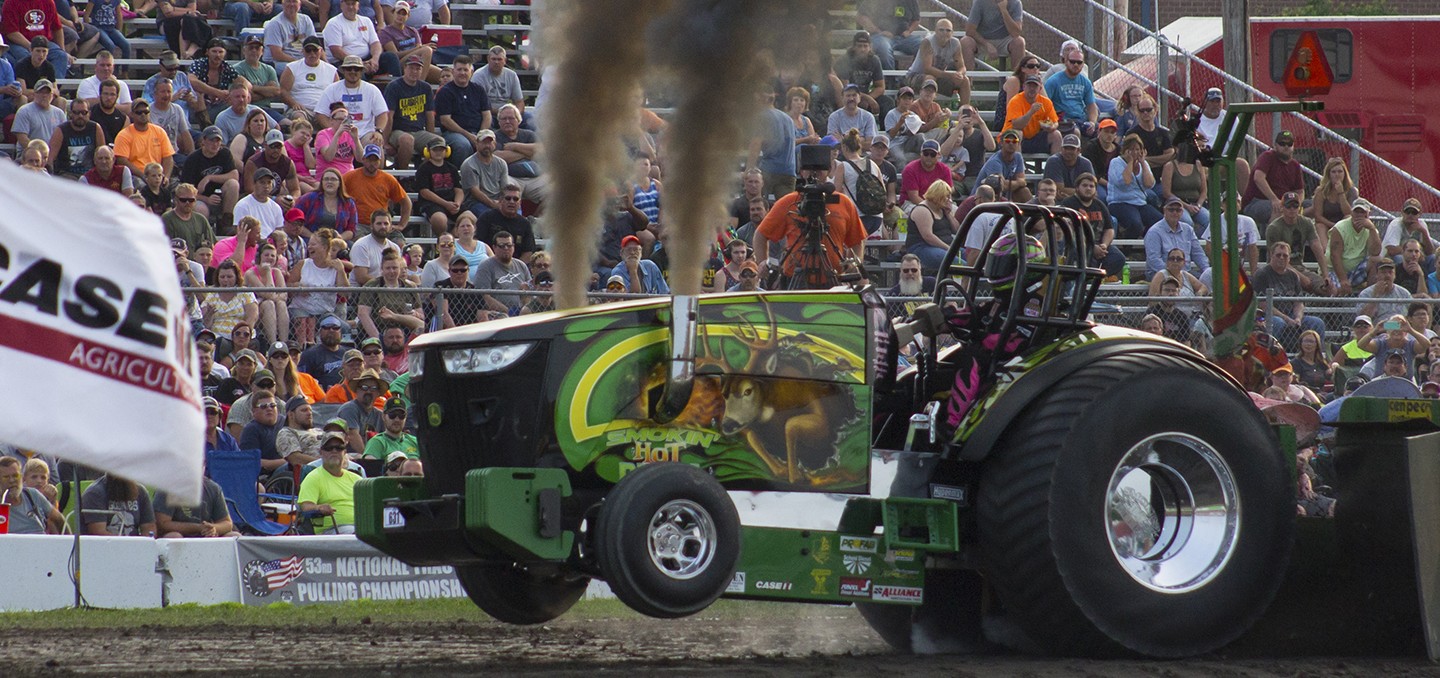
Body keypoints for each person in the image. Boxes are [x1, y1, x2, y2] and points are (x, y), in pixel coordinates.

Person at [756, 145, 866, 289]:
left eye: (820, 170)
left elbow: (858, 240)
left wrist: (854, 262)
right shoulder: (789, 202)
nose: (815, 174)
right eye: (809, 170)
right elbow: (760, 234)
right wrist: (763, 262)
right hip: (795, 277)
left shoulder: (843, 202)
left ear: (828, 171)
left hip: (833, 278)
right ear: (801, 172)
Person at [1252, 241, 1327, 351]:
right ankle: (1272, 355)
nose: (1281, 258)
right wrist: (1287, 319)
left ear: (1289, 259)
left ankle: (1318, 357)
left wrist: (1298, 318)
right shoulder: (1262, 274)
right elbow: (1263, 305)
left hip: (1291, 315)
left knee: (1317, 322)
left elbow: (1298, 302)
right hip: (1267, 317)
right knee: (1278, 323)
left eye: (1285, 255)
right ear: (1271, 256)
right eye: (1278, 255)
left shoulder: (1293, 276)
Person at [1059, 172, 1125, 279]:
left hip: (1098, 244)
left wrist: (1104, 245)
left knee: (1118, 258)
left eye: (1091, 186)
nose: (1088, 188)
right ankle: (1085, 279)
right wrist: (1091, 246)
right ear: (1077, 188)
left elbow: (1109, 229)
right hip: (1077, 244)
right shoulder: (1068, 204)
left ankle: (1094, 279)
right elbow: (1068, 230)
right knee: (1082, 255)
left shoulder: (1099, 205)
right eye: (1084, 185)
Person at [298, 431, 362, 534]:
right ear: (321, 452)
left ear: (345, 452)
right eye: (329, 448)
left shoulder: (357, 479)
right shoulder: (313, 478)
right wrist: (319, 508)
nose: (334, 451)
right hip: (332, 530)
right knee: (359, 535)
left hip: (362, 527)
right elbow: (305, 507)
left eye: (339, 448)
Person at [316, 55, 390, 141]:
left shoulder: (372, 89)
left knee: (375, 142)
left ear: (361, 71)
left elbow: (382, 114)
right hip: (339, 134)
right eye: (349, 69)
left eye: (356, 69)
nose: (353, 71)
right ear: (343, 71)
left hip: (365, 134)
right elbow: (320, 114)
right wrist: (333, 130)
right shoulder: (331, 89)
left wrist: (378, 131)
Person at [344, 145, 412, 236]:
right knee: (359, 242)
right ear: (363, 159)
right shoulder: (349, 177)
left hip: (382, 224)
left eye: (375, 160)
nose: (372, 163)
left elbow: (406, 202)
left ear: (380, 161)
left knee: (399, 242)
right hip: (359, 224)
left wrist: (402, 225)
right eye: (369, 159)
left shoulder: (388, 179)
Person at [1242, 130, 1306, 226]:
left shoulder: (1295, 165)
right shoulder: (1267, 157)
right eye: (1282, 143)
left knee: (1314, 207)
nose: (1286, 147)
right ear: (1275, 145)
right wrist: (1274, 199)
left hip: (1285, 202)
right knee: (1281, 209)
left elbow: (1300, 191)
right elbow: (1258, 178)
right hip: (1255, 202)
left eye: (1289, 144)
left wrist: (1297, 204)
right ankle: (1272, 238)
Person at [434, 53, 491, 160]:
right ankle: (461, 175)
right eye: (459, 70)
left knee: (492, 143)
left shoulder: (479, 90)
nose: (462, 73)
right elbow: (445, 120)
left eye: (465, 70)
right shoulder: (445, 92)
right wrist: (469, 136)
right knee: (463, 146)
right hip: (454, 133)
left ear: (471, 72)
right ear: (453, 71)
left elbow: (487, 115)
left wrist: (481, 135)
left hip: (477, 132)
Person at [179, 126, 241, 222]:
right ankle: (204, 232)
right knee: (201, 209)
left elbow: (234, 175)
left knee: (233, 184)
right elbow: (186, 191)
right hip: (200, 198)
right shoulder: (193, 159)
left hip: (221, 195)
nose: (215, 144)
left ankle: (227, 223)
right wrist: (207, 199)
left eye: (218, 141)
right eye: (212, 141)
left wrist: (209, 178)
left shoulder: (225, 153)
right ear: (203, 141)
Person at [323, 0, 398, 78]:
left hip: (367, 60)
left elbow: (375, 43)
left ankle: (397, 88)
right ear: (341, 5)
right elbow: (336, 51)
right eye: (347, 4)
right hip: (344, 62)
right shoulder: (333, 23)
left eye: (353, 4)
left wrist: (375, 60)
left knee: (390, 57)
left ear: (358, 6)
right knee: (357, 72)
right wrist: (359, 63)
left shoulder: (366, 21)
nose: (351, 7)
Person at [358, 249, 425, 337]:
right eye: (388, 268)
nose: (392, 271)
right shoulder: (372, 285)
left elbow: (421, 316)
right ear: (382, 269)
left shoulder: (410, 286)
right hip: (380, 329)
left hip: (405, 330)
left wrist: (416, 314)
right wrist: (378, 339)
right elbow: (363, 314)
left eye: (395, 268)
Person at [747, 85, 797, 200]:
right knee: (785, 209)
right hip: (789, 172)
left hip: (769, 170)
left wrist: (748, 170)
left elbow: (756, 144)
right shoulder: (788, 119)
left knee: (757, 203)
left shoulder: (762, 117)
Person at [1266, 191, 1329, 282]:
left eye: (1295, 206)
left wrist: (1326, 275)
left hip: (1299, 268)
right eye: (1288, 206)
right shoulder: (1274, 228)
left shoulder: (1306, 223)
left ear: (1300, 208)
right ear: (1282, 208)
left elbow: (1317, 248)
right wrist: (1302, 278)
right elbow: (1276, 259)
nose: (1292, 209)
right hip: (1277, 271)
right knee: (1305, 283)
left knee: (1328, 288)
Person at [1107, 133, 1161, 239]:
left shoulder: (1143, 164)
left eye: (1137, 149)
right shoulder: (1116, 162)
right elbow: (1125, 182)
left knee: (1159, 221)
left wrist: (1143, 163)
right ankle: (1126, 249)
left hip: (1139, 202)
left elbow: (1149, 184)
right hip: (1120, 203)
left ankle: (1148, 242)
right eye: (1131, 149)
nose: (1135, 152)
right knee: (1135, 224)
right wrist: (1130, 162)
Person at [1144, 197, 1210, 280]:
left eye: (1178, 210)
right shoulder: (1154, 232)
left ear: (1182, 212)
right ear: (1164, 211)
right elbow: (1154, 260)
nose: (1175, 212)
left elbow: (1198, 253)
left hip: (1185, 273)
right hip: (1160, 273)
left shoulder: (1188, 229)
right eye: (1171, 210)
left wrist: (1206, 270)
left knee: (1207, 282)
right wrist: (1173, 273)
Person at [2, 0, 70, 80]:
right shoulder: (11, 2)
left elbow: (57, 28)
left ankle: (52, 88)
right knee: (26, 56)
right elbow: (11, 33)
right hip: (18, 43)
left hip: (44, 42)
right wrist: (31, 46)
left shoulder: (48, 2)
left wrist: (63, 50)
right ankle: (29, 88)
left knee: (60, 55)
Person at [906, 18, 968, 103]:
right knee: (930, 79)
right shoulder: (927, 42)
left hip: (939, 76)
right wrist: (950, 75)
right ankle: (926, 111)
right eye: (941, 30)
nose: (944, 33)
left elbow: (962, 66)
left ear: (952, 33)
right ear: (935, 30)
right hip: (916, 76)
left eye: (948, 30)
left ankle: (965, 112)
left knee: (965, 80)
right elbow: (927, 69)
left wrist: (959, 74)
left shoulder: (955, 43)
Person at [1329, 199, 1384, 294]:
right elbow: (1335, 256)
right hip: (1334, 271)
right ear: (1351, 212)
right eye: (1356, 211)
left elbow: (1375, 252)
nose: (1359, 215)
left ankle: (1370, 297)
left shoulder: (1371, 229)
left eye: (1362, 212)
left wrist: (1372, 229)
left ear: (1367, 214)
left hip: (1356, 270)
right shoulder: (1340, 228)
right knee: (1337, 291)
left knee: (1376, 260)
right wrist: (1343, 280)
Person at [154, 476, 237, 538]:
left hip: (206, 536)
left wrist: (213, 528)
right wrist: (197, 528)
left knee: (235, 536)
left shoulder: (213, 488)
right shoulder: (167, 488)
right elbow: (162, 524)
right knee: (174, 537)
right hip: (179, 536)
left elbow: (227, 523)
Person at [1045, 40, 1098, 136]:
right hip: (1062, 120)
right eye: (1072, 62)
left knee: (1104, 131)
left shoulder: (1085, 82)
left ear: (1083, 64)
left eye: (1079, 62)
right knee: (1075, 131)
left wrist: (1092, 122)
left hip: (1081, 119)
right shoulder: (1053, 81)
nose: (1076, 65)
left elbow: (1091, 105)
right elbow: (1045, 104)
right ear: (1065, 62)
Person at [905, 179, 959, 272]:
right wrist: (949, 249)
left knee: (972, 258)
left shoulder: (942, 209)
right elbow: (928, 236)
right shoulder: (922, 210)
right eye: (946, 197)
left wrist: (948, 214)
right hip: (923, 247)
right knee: (960, 264)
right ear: (938, 196)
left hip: (946, 246)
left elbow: (957, 230)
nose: (949, 200)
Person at [0, 457, 63, 535]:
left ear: (21, 477)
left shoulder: (31, 495)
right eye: (6, 477)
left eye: (15, 476)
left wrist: (69, 542)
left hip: (40, 543)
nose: (12, 480)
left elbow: (59, 520)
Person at [959, 0, 1026, 73]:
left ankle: (1018, 81)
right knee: (965, 41)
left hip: (1005, 40)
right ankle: (967, 82)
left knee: (1019, 42)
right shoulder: (980, 2)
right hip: (982, 41)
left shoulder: (1015, 3)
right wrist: (987, 45)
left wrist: (1004, 10)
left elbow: (1016, 33)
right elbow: (969, 30)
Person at [1357, 314, 1430, 381]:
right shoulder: (1380, 344)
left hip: (1405, 384)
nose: (1397, 330)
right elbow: (1361, 345)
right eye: (1393, 326)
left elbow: (1427, 345)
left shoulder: (1410, 345)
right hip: (1381, 383)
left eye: (1400, 326)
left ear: (1405, 331)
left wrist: (1411, 330)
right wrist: (1374, 331)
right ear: (1387, 331)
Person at [81, 474, 156, 537]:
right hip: (105, 548)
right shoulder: (95, 493)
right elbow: (98, 532)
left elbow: (149, 528)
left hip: (135, 547)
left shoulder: (141, 492)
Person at [857, 0, 923, 71]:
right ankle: (890, 80)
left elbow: (917, 19)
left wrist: (909, 30)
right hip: (880, 36)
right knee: (884, 49)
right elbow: (860, 16)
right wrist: (878, 31)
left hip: (904, 38)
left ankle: (914, 76)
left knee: (924, 45)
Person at [1003, 73, 1060, 155]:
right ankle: (1018, 167)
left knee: (1056, 135)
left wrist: (1051, 127)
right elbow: (1016, 125)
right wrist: (1031, 112)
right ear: (1024, 87)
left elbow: (1055, 122)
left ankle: (1055, 165)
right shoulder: (1015, 101)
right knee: (1018, 133)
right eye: (1029, 86)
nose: (1032, 89)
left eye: (1035, 86)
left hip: (1034, 137)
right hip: (1012, 139)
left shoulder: (1046, 102)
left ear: (1040, 88)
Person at [245, 243, 290, 344]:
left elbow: (284, 296)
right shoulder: (251, 273)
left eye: (273, 255)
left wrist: (275, 297)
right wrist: (268, 273)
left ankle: (284, 343)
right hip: (256, 310)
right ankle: (273, 344)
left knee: (281, 304)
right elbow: (267, 294)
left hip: (275, 308)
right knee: (268, 303)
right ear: (259, 257)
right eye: (266, 255)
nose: (269, 258)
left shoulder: (277, 272)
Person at [298, 167, 360, 240]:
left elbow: (352, 229)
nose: (329, 182)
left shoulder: (348, 202)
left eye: (333, 179)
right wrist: (313, 237)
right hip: (310, 239)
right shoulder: (309, 198)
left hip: (337, 241)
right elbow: (296, 222)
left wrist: (339, 238)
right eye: (326, 179)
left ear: (340, 183)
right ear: (322, 182)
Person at [48, 98, 105, 179]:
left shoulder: (95, 128)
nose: (80, 116)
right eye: (76, 112)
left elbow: (102, 153)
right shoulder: (61, 130)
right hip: (67, 175)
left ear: (89, 113)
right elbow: (51, 158)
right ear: (70, 114)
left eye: (84, 112)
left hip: (91, 175)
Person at [459, 128, 507, 219]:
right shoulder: (469, 164)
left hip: (498, 201)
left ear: (495, 144)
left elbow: (505, 188)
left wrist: (503, 202)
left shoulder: (501, 163)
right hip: (476, 203)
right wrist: (493, 204)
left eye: (490, 143)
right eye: (484, 143)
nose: (487, 146)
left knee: (515, 209)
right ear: (477, 144)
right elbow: (475, 192)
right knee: (492, 217)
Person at [1161, 140, 1208, 231]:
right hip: (1178, 204)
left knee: (1208, 220)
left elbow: (1204, 191)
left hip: (1196, 203)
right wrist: (1187, 206)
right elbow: (1167, 193)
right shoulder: (1170, 166)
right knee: (1187, 222)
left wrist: (1198, 205)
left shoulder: (1198, 165)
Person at [837, 32, 885, 116]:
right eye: (859, 46)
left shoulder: (874, 60)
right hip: (848, 96)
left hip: (866, 94)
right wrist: (865, 98)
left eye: (865, 46)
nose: (862, 49)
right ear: (854, 47)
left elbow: (880, 87)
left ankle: (886, 128)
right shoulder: (845, 60)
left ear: (870, 47)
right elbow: (846, 87)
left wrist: (869, 98)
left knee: (886, 102)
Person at [1309, 156, 1358, 239]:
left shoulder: (1352, 191)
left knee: (1348, 218)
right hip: (1326, 224)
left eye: (1340, 171)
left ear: (1345, 174)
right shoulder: (1321, 191)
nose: (1337, 175)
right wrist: (1333, 226)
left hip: (1344, 225)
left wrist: (1341, 193)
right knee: (1320, 226)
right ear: (1329, 174)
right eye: (1333, 172)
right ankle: (1325, 251)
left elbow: (1349, 213)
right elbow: (1318, 216)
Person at [973, 129, 1028, 202]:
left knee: (1023, 191)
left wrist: (1016, 182)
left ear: (1018, 144)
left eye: (1014, 141)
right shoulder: (995, 161)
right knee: (998, 192)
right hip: (982, 197)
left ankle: (1034, 212)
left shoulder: (1018, 157)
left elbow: (1023, 181)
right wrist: (1018, 182)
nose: (1011, 143)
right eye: (1007, 141)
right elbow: (1001, 186)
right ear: (1001, 143)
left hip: (1000, 196)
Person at [11, 79, 66, 153]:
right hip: (28, 155)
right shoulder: (24, 111)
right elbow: (22, 138)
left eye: (47, 93)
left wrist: (51, 155)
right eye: (40, 92)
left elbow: (63, 137)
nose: (44, 95)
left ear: (52, 95)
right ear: (34, 94)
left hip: (52, 156)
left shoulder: (59, 113)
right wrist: (38, 154)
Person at [1382, 197, 1438, 269]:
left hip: (1416, 258)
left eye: (1414, 212)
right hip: (1390, 260)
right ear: (1402, 212)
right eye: (1407, 212)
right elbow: (1391, 250)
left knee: (1432, 258)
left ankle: (1428, 280)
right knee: (1399, 258)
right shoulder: (1396, 224)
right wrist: (1415, 254)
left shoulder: (1422, 225)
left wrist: (1424, 232)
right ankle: (1401, 280)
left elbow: (1430, 252)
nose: (1410, 215)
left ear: (1419, 214)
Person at [263, 0, 317, 70]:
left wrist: (326, 63)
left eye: (294, 1)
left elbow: (315, 45)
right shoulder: (275, 24)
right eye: (288, 1)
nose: (291, 4)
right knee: (300, 70)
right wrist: (301, 63)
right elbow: (277, 54)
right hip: (278, 62)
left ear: (299, 4)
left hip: (303, 61)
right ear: (282, 4)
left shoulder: (306, 20)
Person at [299, 314, 349, 389]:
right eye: (326, 328)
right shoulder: (310, 355)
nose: (331, 330)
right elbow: (303, 381)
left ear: (340, 332)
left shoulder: (349, 353)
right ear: (320, 332)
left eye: (335, 328)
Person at [234, 166, 286, 237]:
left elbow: (279, 230)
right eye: (262, 182)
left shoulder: (276, 207)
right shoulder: (243, 205)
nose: (266, 186)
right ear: (254, 184)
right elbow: (239, 231)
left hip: (271, 244)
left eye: (269, 182)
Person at [362, 396, 417, 460]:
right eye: (392, 415)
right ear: (384, 416)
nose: (397, 419)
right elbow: (371, 466)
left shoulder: (414, 441)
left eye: (401, 415)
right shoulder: (377, 442)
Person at [1042, 133, 1094, 201]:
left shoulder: (1086, 163)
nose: (1068, 151)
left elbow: (1093, 190)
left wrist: (1081, 193)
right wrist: (1082, 192)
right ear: (1061, 149)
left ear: (1079, 150)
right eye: (1066, 148)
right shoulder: (1054, 161)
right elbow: (1058, 190)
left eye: (1072, 148)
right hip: (1053, 201)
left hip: (1080, 201)